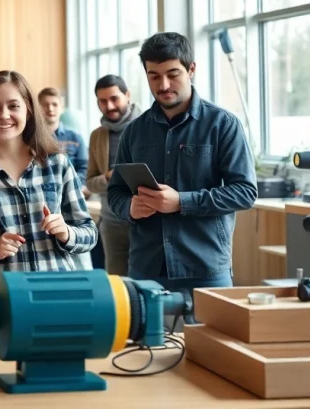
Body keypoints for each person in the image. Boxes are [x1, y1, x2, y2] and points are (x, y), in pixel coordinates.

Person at [106, 32, 256, 303]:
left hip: (205, 267)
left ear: (191, 70)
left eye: (172, 74)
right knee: (145, 334)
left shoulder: (223, 125)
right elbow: (115, 192)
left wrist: (181, 202)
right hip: (146, 267)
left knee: (213, 333)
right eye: (154, 76)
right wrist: (128, 207)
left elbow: (245, 192)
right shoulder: (134, 132)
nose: (163, 85)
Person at [0, 71, 97, 283]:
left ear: (29, 111)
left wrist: (67, 232)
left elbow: (89, 233)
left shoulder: (57, 164)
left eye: (14, 106)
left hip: (59, 289)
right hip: (2, 295)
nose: (4, 115)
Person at [85, 75, 139, 276]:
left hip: (144, 219)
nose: (109, 106)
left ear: (127, 95)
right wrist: (108, 177)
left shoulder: (148, 127)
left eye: (114, 98)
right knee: (116, 281)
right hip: (111, 221)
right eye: (103, 101)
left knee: (145, 279)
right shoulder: (97, 136)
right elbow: (91, 183)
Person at [37, 88, 88, 181]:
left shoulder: (76, 137)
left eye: (55, 104)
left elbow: (84, 169)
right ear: (38, 108)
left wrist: (71, 184)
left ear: (62, 108)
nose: (50, 109)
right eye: (45, 105)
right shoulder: (32, 138)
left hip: (71, 186)